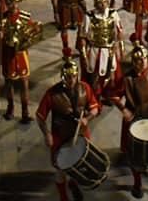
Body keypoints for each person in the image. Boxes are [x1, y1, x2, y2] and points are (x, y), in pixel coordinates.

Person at [36, 48, 101, 201]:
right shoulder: (52, 93)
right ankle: (63, 196)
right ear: (62, 77)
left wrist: (88, 118)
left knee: (78, 165)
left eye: (73, 77)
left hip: (80, 134)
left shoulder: (85, 88)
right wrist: (47, 134)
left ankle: (74, 184)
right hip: (60, 136)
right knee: (60, 169)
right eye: (68, 77)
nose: (71, 80)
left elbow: (95, 108)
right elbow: (40, 116)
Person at [109, 40, 148, 199]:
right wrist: (124, 109)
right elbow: (114, 95)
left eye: (142, 60)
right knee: (135, 155)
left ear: (147, 59)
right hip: (134, 119)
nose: (140, 63)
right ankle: (137, 184)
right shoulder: (127, 78)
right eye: (136, 60)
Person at [0, 0, 43, 123]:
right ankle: (10, 108)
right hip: (8, 55)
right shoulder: (1, 18)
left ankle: (25, 111)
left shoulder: (24, 17)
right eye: (9, 3)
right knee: (9, 83)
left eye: (14, 2)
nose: (12, 5)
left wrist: (36, 30)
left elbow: (32, 30)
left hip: (21, 54)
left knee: (24, 83)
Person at [79, 0, 123, 99]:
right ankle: (95, 97)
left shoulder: (113, 14)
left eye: (105, 2)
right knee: (94, 75)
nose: (103, 5)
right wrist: (84, 54)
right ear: (95, 4)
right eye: (100, 3)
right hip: (95, 49)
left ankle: (108, 95)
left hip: (109, 49)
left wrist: (120, 48)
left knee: (111, 75)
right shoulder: (89, 16)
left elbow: (119, 31)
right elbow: (83, 36)